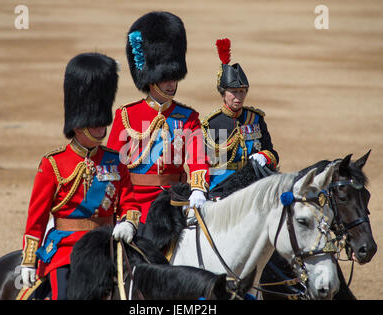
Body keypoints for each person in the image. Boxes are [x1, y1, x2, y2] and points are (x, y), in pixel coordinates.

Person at [19, 52, 141, 300]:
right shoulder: (53, 164)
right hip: (66, 250)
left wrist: (128, 221)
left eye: (102, 123)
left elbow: (129, 202)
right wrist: (29, 260)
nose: (101, 128)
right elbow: (37, 218)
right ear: (77, 125)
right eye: (94, 124)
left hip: (107, 246)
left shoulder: (115, 160)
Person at [107, 11, 210, 225]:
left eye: (174, 78)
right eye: (165, 78)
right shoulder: (126, 115)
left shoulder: (188, 117)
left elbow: (198, 159)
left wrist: (199, 188)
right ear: (151, 78)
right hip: (135, 202)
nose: (171, 84)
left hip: (175, 200)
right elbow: (113, 165)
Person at [201, 38, 279, 197]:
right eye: (233, 92)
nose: (238, 97)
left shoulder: (255, 119)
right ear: (223, 93)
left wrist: (264, 156)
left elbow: (272, 153)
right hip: (222, 187)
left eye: (242, 91)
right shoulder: (212, 123)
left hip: (255, 184)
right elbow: (206, 165)